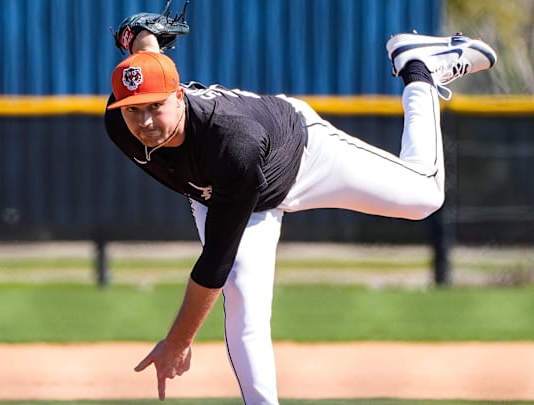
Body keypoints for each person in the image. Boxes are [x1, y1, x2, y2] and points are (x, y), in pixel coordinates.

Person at [103, 25, 497, 404]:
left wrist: (177, 342)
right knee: (244, 303)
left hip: (300, 154)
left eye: (155, 106)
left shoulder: (233, 141)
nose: (145, 121)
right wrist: (135, 34)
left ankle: (419, 69)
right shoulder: (121, 122)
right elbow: (145, 63)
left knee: (424, 196)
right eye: (133, 110)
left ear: (178, 95)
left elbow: (213, 265)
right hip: (222, 193)